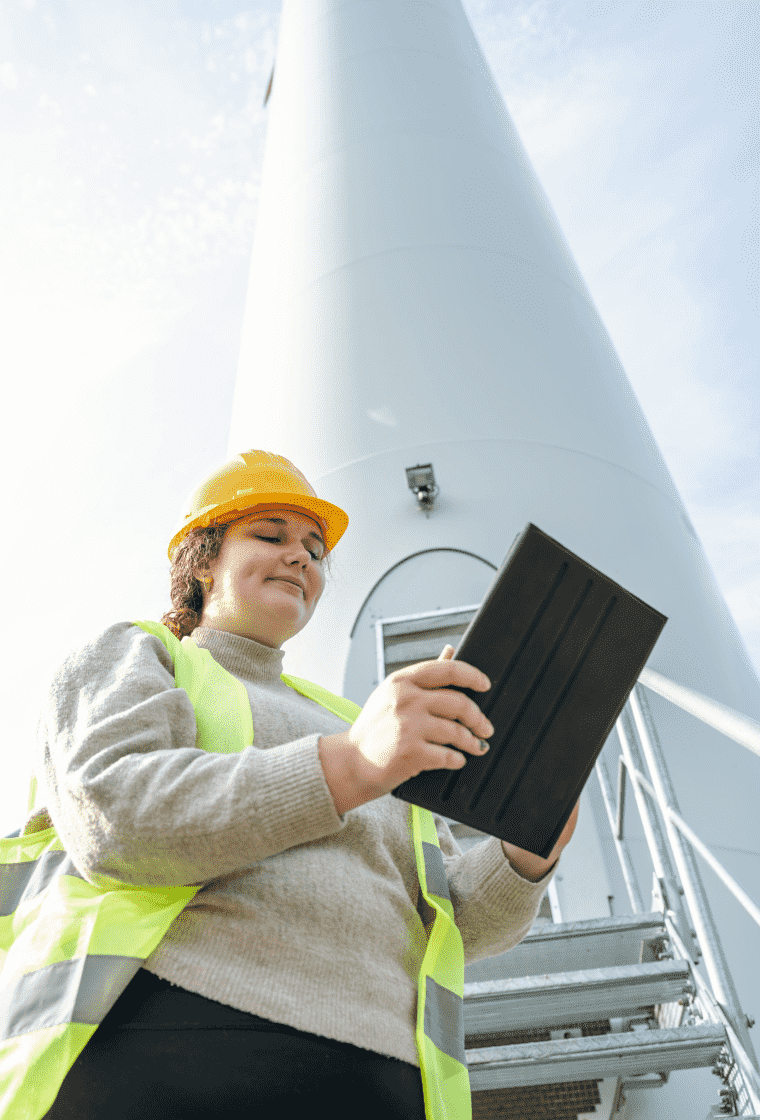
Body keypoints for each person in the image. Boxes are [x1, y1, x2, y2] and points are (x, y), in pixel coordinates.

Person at [35, 449, 578, 1120]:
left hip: (383, 1077)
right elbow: (116, 817)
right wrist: (352, 765)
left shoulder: (359, 723)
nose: (301, 557)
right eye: (270, 535)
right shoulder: (138, 655)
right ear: (201, 561)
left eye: (315, 550)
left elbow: (449, 920)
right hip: (178, 1041)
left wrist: (527, 852)